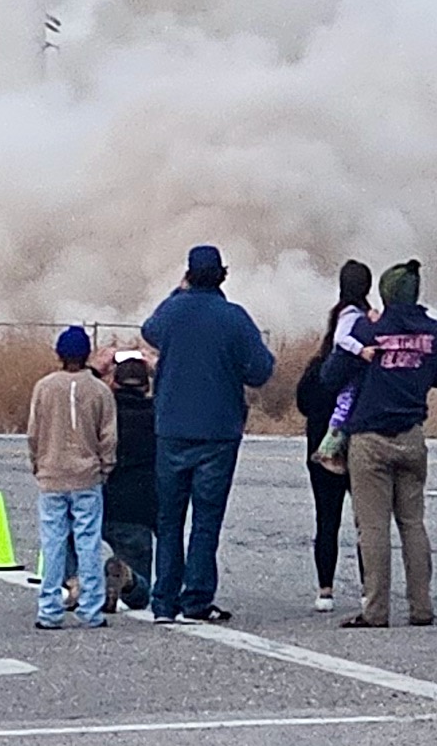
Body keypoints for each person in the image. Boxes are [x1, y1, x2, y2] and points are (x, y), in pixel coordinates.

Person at [141, 243, 274, 624]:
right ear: (223, 275)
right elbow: (261, 371)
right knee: (206, 519)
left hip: (171, 429)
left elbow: (150, 331)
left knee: (168, 519)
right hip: (218, 431)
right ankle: (196, 599)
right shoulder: (234, 318)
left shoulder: (174, 311)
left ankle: (164, 600)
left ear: (189, 274)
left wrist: (177, 291)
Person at [327, 261, 437, 628]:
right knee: (413, 523)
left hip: (369, 438)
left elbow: (330, 375)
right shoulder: (435, 332)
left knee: (373, 528)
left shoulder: (369, 329)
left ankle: (376, 610)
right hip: (412, 434)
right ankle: (421, 607)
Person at [294, 260, 375, 614]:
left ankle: (324, 591)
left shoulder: (319, 367)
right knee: (365, 521)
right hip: (360, 448)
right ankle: (366, 588)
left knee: (326, 520)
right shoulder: (367, 363)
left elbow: (303, 403)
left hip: (322, 453)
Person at [27, 326, 117, 630]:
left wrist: (38, 465)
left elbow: (34, 433)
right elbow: (108, 436)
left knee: (52, 543)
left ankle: (49, 610)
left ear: (58, 355)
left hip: (52, 476)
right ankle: (91, 611)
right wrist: (105, 467)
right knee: (88, 543)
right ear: (87, 354)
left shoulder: (44, 387)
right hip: (86, 477)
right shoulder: (100, 390)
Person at [101, 350, 157, 614]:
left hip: (97, 505)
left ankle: (77, 583)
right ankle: (127, 577)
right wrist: (161, 369)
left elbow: (74, 396)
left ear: (113, 381)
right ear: (147, 384)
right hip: (139, 512)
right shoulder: (158, 414)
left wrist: (93, 371)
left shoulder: (103, 413)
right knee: (139, 596)